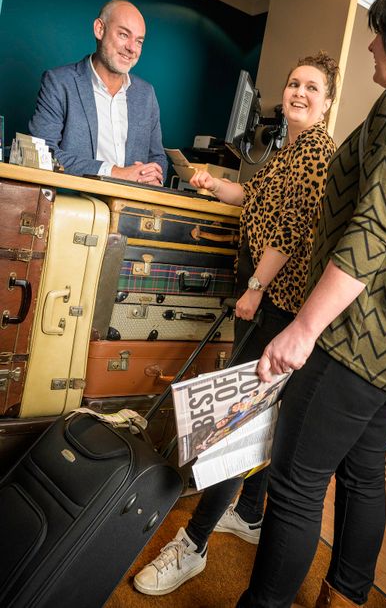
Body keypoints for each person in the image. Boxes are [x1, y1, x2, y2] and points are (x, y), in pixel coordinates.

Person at [235, 0, 386, 608]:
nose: (370, 45)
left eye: (378, 33)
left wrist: (304, 327)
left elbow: (374, 226)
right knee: (364, 474)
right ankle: (344, 598)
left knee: (295, 482)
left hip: (357, 336)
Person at [133, 51, 339, 596]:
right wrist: (210, 184)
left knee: (237, 422)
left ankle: (194, 544)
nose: (298, 93)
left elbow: (292, 229)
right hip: (270, 299)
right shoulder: (287, 150)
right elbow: (252, 197)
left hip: (281, 305)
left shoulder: (318, 153)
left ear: (327, 102)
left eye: (311, 88)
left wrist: (256, 286)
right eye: (293, 84)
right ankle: (249, 513)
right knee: (263, 415)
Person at [28, 0, 166, 184]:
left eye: (139, 41)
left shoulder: (146, 94)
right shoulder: (59, 82)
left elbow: (157, 157)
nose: (132, 48)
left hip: (131, 201)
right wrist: (115, 172)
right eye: (124, 35)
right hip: (73, 199)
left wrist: (154, 176)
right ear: (99, 29)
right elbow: (42, 152)